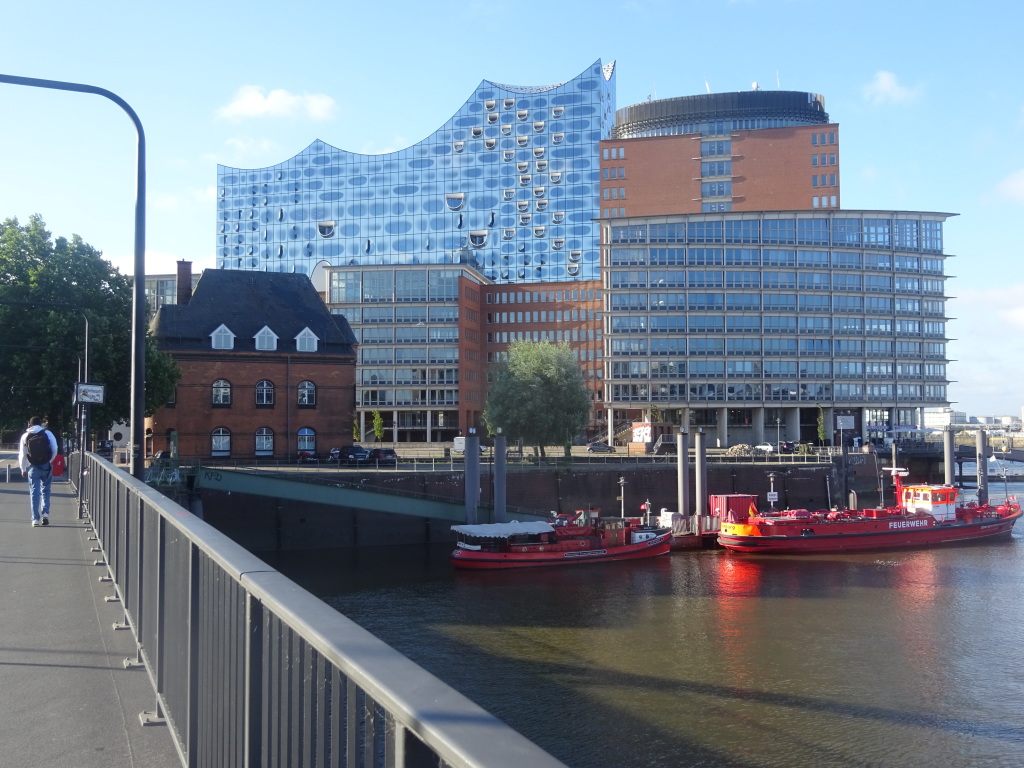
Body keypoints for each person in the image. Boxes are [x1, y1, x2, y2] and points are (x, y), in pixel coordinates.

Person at [17, 416, 59, 527]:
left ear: (29, 424)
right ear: (41, 424)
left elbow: (22, 454)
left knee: (34, 493)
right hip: (46, 465)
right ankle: (45, 515)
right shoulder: (48, 433)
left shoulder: (25, 436)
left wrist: (23, 469)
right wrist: (49, 460)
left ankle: (35, 519)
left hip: (33, 466)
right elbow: (55, 448)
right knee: (46, 490)